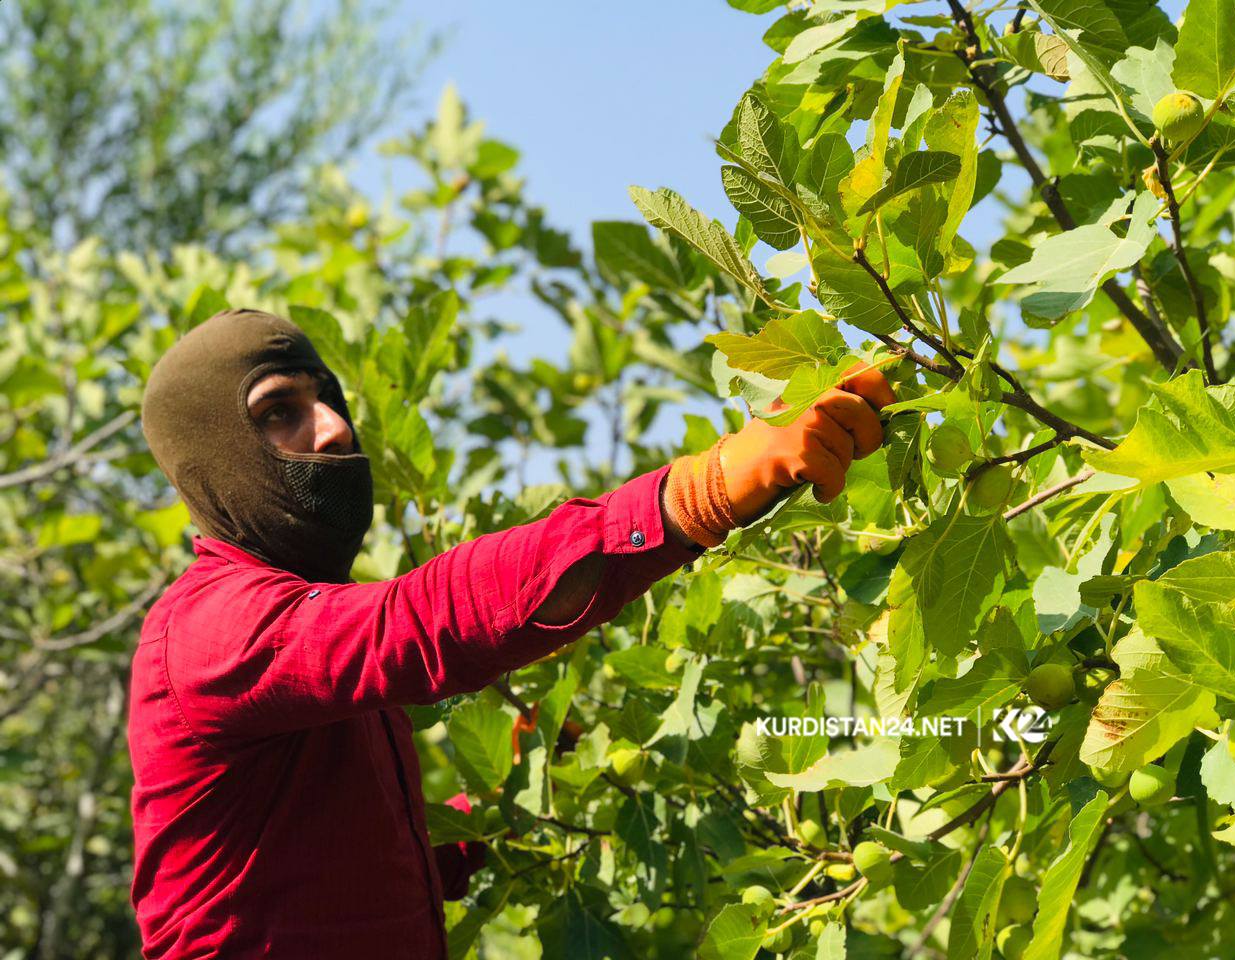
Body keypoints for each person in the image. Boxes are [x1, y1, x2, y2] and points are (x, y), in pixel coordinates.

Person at [129, 307, 895, 958]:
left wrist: (511, 791)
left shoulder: (303, 625)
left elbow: (349, 880)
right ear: (216, 458)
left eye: (327, 397)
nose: (332, 429)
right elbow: (423, 621)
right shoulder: (210, 631)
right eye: (278, 412)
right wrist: (695, 495)